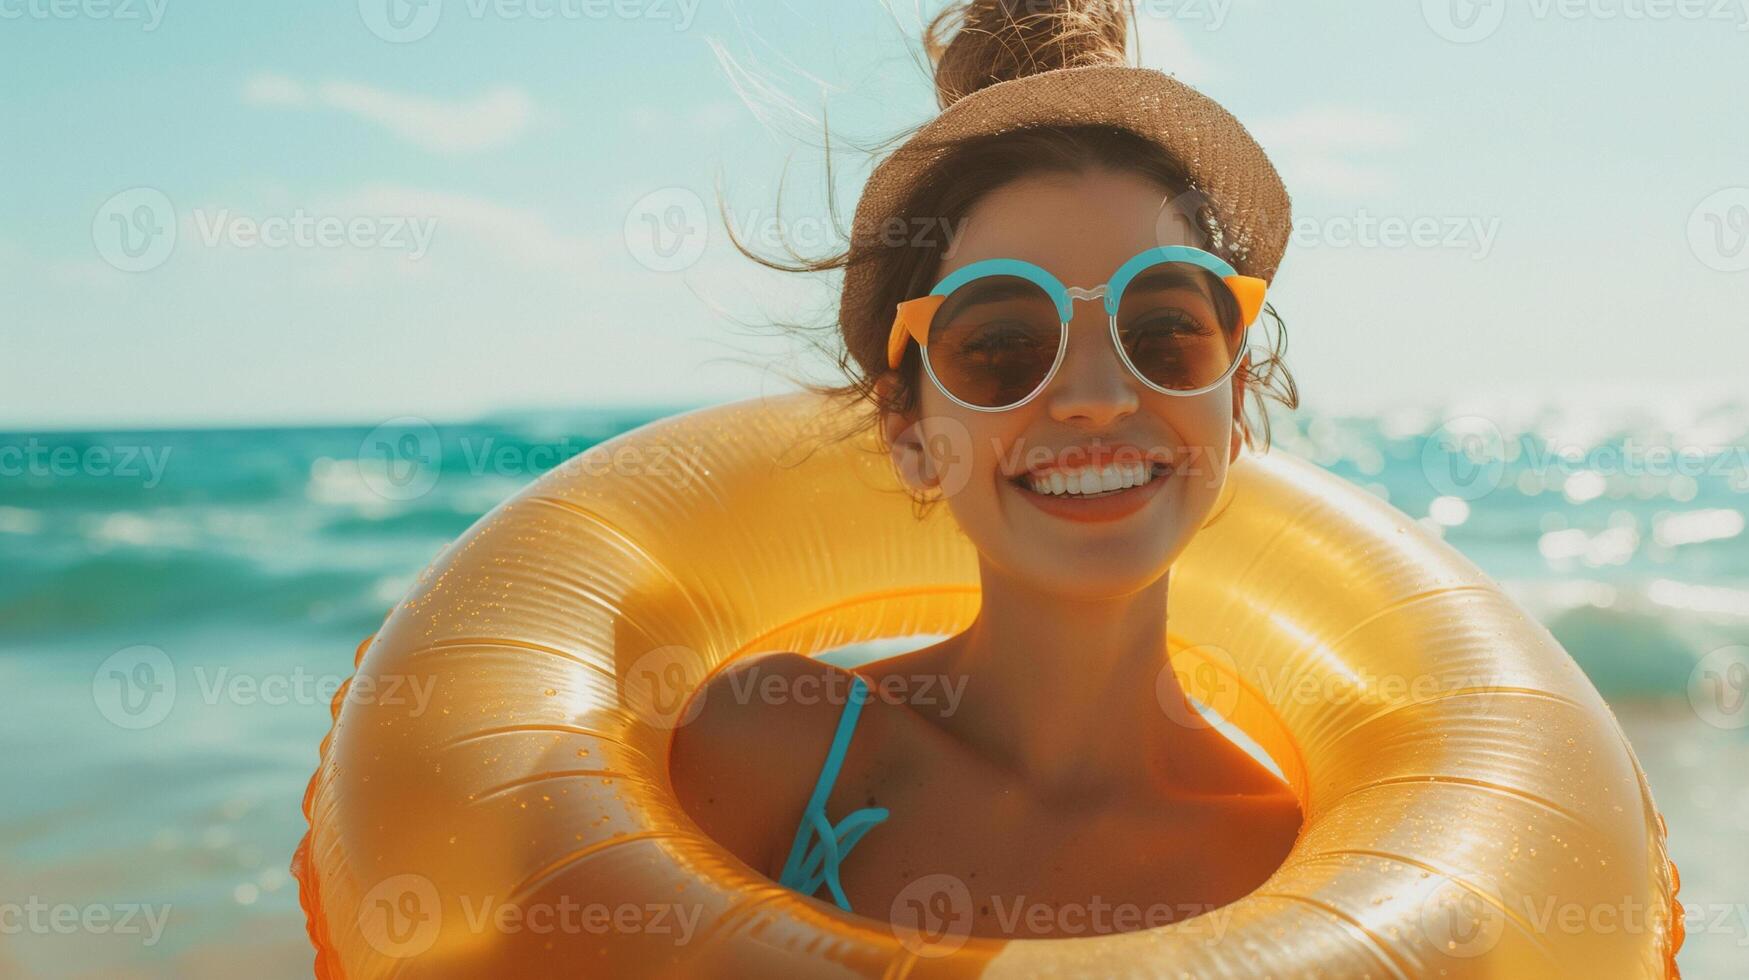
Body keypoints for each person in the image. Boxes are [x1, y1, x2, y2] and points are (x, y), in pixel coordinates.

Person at [670, 0, 1303, 939]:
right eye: (1002, 345)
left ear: (1236, 392)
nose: (1096, 397)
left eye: (1162, 331)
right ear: (908, 428)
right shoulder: (779, 750)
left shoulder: (1291, 868)